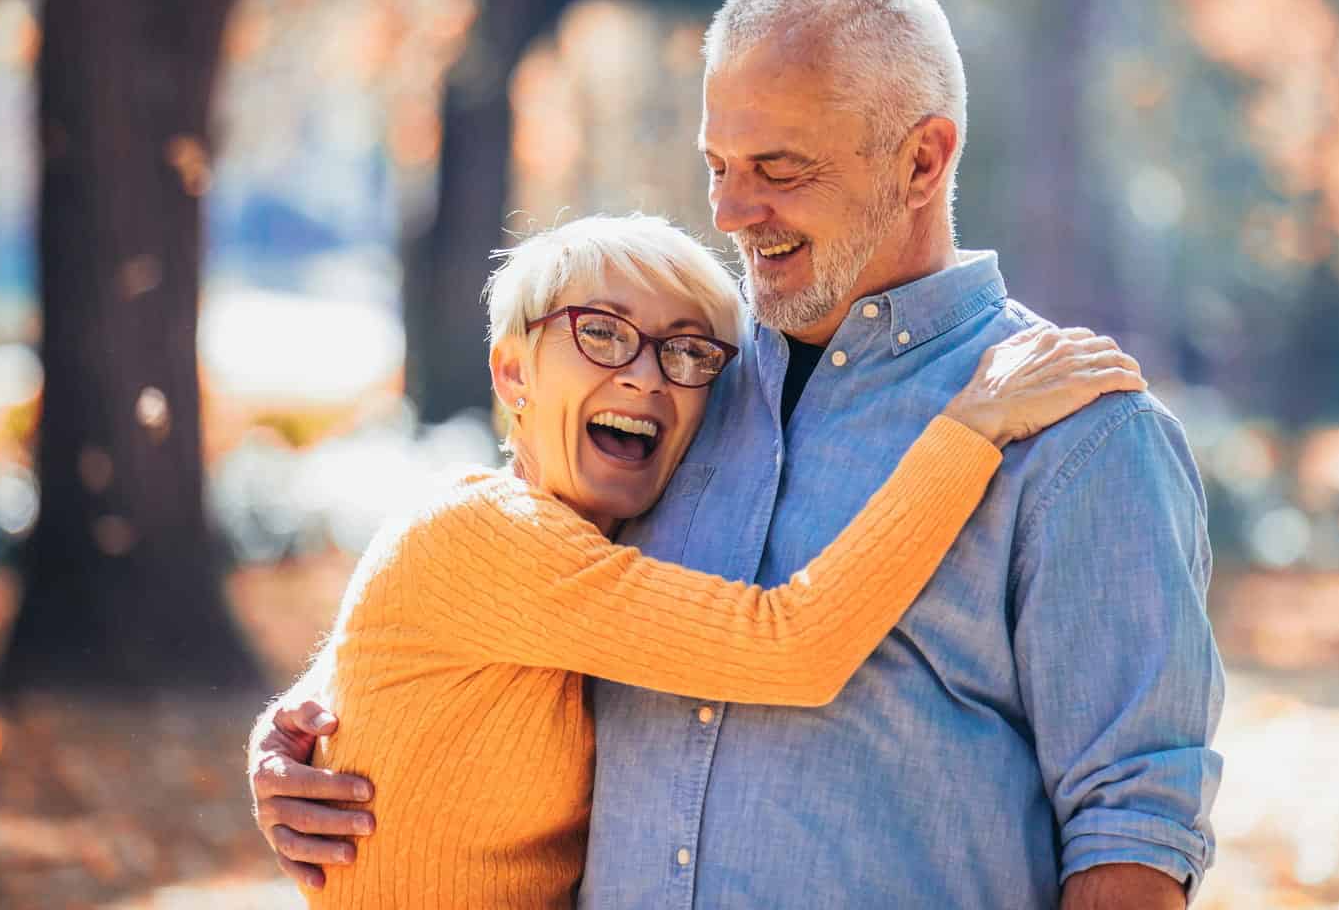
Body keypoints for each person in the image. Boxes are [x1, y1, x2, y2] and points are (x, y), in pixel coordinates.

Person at [251, 0, 1225, 909]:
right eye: (717, 164)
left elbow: (1132, 836)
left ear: (922, 159)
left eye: (778, 168)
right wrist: (303, 735)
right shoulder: (672, 400)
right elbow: (499, 594)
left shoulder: (1078, 435)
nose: (729, 209)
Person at [266, 211, 1143, 908]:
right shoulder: (481, 533)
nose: (648, 375)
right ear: (512, 373)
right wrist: (970, 427)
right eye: (602, 333)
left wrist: (290, 731)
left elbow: (371, 680)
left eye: (688, 351)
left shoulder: (588, 545)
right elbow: (788, 646)